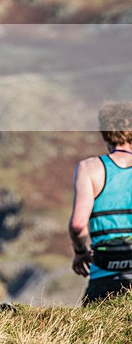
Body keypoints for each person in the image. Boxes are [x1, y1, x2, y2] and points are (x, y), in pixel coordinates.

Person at [69, 101, 132, 303]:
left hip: (106, 271)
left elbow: (78, 226)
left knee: (90, 333)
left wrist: (81, 251)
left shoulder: (89, 168)